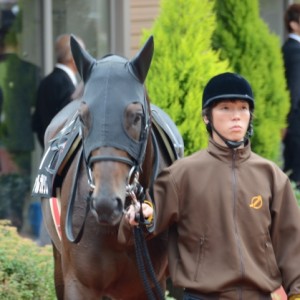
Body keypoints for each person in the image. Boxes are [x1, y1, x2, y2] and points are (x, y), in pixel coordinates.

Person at [121, 72, 300, 300]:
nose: (236, 116)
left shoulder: (271, 176)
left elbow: (291, 242)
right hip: (202, 296)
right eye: (225, 108)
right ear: (207, 117)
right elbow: (141, 225)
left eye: (243, 108)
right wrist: (141, 217)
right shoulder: (182, 175)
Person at [32, 33, 85, 150]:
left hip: (48, 155)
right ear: (73, 57)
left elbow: (37, 123)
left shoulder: (46, 82)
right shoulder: (65, 85)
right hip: (63, 159)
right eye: (82, 54)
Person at [282, 4, 300, 189]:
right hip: (296, 127)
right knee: (295, 179)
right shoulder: (295, 52)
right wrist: (286, 124)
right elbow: (294, 92)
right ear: (294, 24)